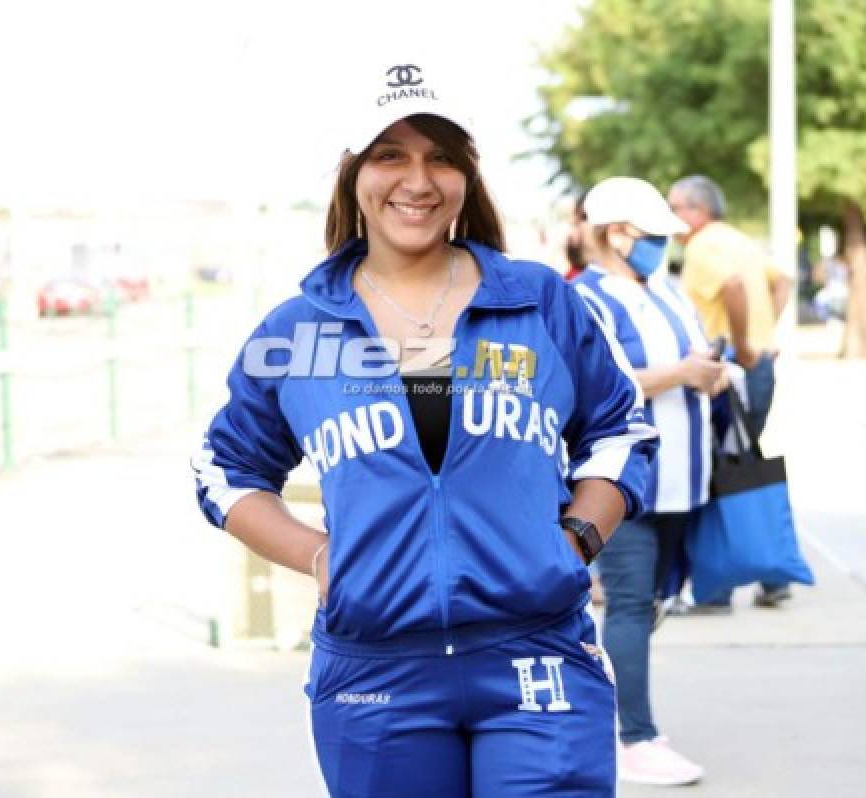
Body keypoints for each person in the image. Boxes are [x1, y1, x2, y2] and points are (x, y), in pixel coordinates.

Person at [191, 59, 659, 797]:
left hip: (535, 655)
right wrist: (319, 558)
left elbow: (621, 429)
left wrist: (576, 539)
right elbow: (223, 469)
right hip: (376, 674)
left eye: (441, 156)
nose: (418, 179)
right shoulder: (299, 330)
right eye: (390, 155)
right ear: (353, 176)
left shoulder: (537, 302)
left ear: (467, 176)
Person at [573, 176, 727, 787]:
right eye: (655, 235)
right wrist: (682, 373)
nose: (664, 246)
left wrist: (712, 373)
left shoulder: (663, 291)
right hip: (628, 482)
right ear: (618, 234)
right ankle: (632, 736)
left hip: (686, 480)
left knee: (654, 600)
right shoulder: (586, 298)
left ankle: (622, 723)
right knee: (631, 604)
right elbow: (600, 383)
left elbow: (694, 359)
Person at [667, 174, 794, 611]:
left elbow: (734, 288)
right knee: (744, 467)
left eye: (674, 207)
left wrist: (743, 345)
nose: (670, 218)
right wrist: (763, 333)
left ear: (696, 211)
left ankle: (716, 587)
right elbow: (784, 283)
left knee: (717, 472)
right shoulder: (738, 240)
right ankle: (773, 574)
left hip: (731, 371)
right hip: (756, 369)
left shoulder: (702, 247)